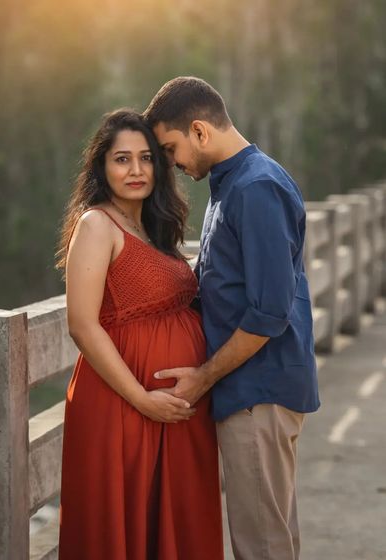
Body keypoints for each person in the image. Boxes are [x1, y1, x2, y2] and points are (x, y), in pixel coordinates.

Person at [144, 77, 320, 560]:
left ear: (199, 131)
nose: (172, 164)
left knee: (261, 544)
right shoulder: (232, 185)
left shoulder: (256, 187)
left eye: (170, 148)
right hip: (249, 391)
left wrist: (201, 378)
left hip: (257, 391)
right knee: (271, 537)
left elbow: (269, 312)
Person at [55, 109, 224, 560]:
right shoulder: (97, 226)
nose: (135, 170)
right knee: (121, 526)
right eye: (122, 159)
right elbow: (83, 325)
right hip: (122, 405)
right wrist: (142, 398)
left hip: (172, 410)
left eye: (146, 158)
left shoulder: (155, 228)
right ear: (102, 167)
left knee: (175, 524)